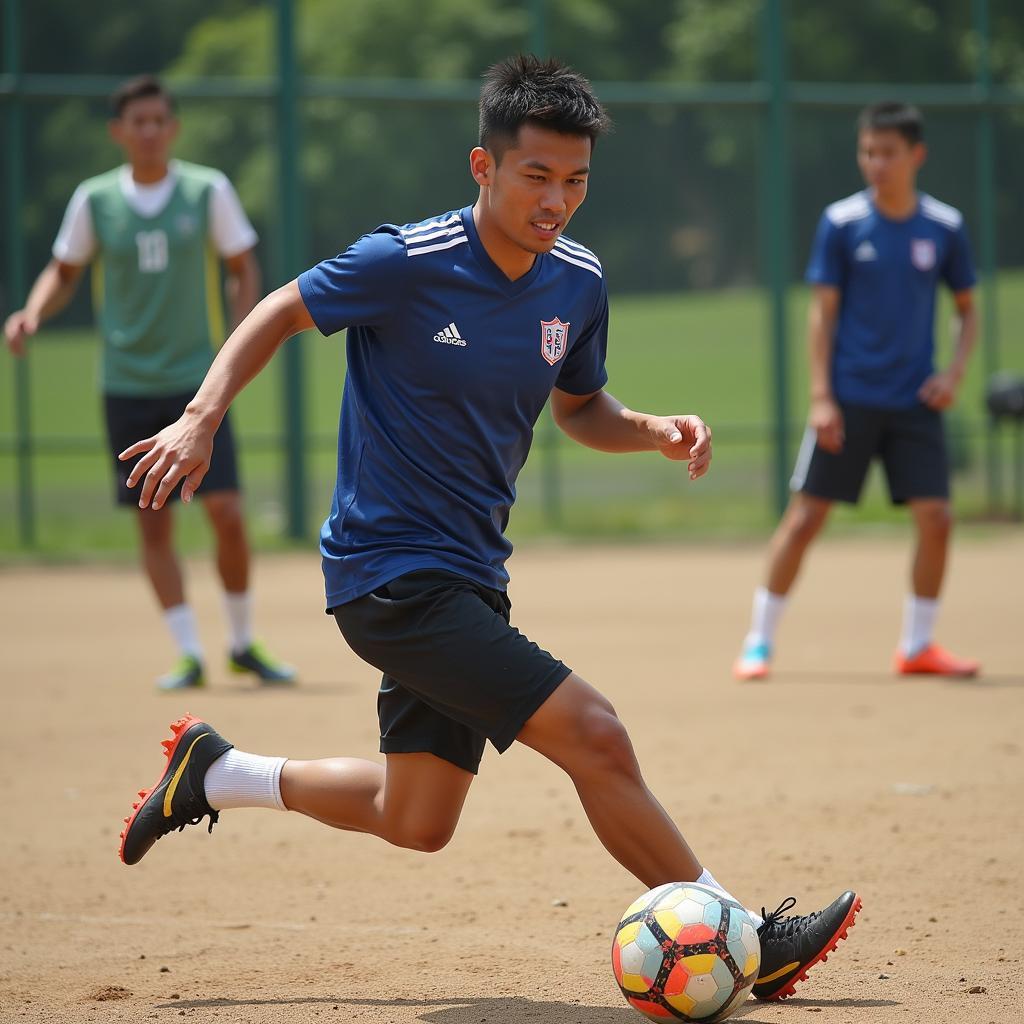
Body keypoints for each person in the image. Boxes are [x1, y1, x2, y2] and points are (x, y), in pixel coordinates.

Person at [116, 57, 860, 1004]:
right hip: (389, 579)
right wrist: (202, 415)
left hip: (469, 577)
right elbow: (277, 309)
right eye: (536, 176)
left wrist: (652, 432)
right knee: (595, 733)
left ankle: (216, 773)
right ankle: (749, 932)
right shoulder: (407, 261)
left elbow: (582, 408)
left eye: (577, 181)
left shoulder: (577, 284)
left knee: (416, 817)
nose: (558, 200)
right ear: (484, 166)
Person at [3, 75, 295, 691]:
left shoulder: (206, 190)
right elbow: (64, 270)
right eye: (138, 121)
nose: (150, 130)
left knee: (228, 512)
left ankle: (242, 643)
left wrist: (237, 340)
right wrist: (32, 311)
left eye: (160, 120)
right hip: (127, 383)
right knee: (153, 521)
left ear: (174, 128)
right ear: (118, 132)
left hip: (196, 387)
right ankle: (189, 652)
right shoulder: (95, 200)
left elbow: (244, 267)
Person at [734, 101, 980, 682]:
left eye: (888, 152)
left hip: (915, 402)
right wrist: (822, 396)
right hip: (849, 401)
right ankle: (759, 642)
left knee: (938, 518)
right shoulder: (842, 222)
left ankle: (918, 645)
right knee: (806, 519)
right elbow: (822, 315)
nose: (877, 163)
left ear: (916, 155)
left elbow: (967, 310)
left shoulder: (944, 227)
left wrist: (954, 372)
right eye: (868, 151)